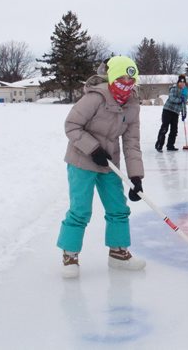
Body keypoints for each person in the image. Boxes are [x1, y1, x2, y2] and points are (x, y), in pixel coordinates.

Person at [57, 56, 146, 278]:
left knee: (118, 208)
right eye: (122, 78)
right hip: (81, 160)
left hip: (109, 163)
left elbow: (131, 143)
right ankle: (70, 255)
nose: (126, 84)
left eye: (131, 79)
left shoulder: (132, 105)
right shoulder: (95, 98)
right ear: (111, 77)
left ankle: (118, 253)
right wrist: (93, 149)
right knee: (80, 210)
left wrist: (136, 177)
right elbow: (71, 125)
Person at [155, 74, 188, 152]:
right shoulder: (174, 89)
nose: (182, 84)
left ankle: (170, 145)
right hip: (168, 110)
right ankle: (159, 145)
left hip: (175, 113)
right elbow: (172, 98)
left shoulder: (185, 92)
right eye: (181, 82)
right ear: (178, 82)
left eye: (184, 82)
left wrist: (184, 113)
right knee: (164, 128)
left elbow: (184, 103)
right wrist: (180, 100)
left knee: (174, 130)